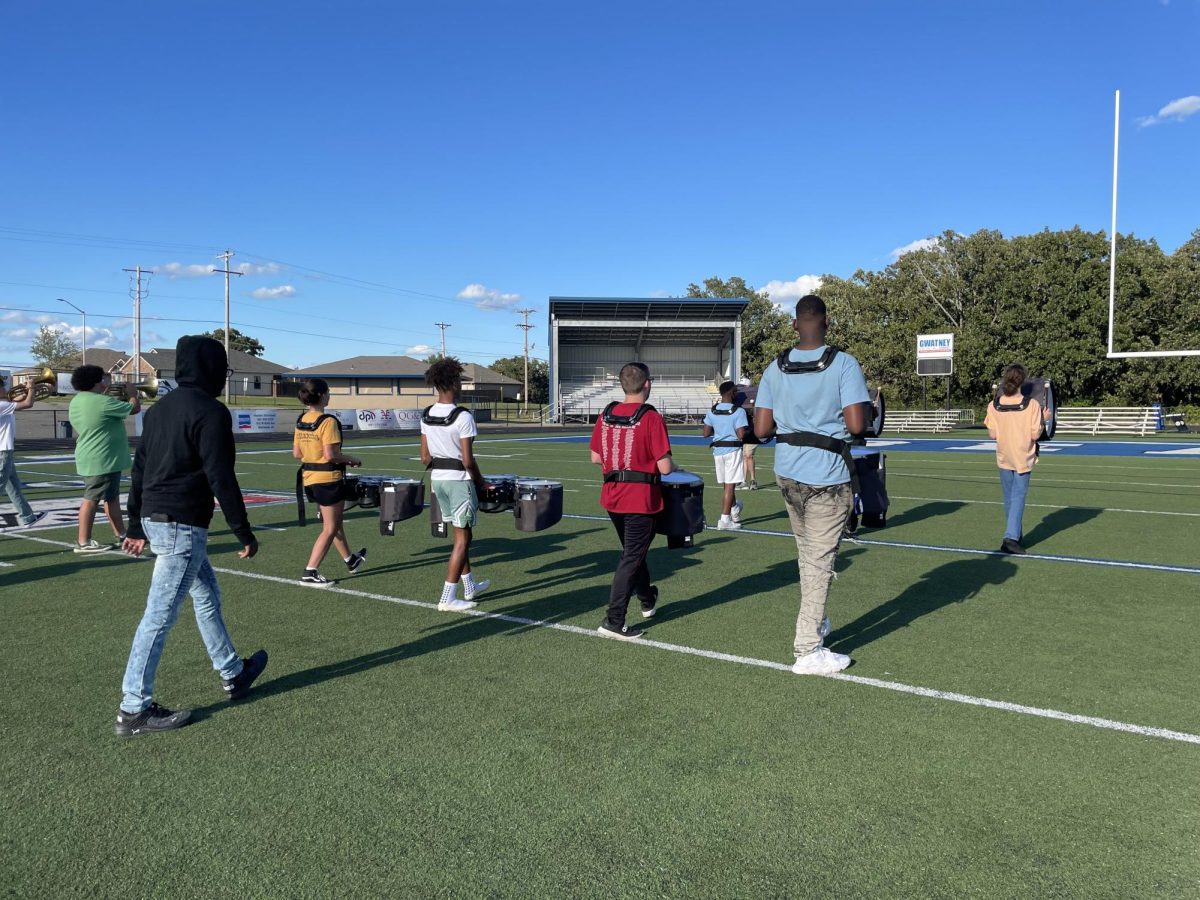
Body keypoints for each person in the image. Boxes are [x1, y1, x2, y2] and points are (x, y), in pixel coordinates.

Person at [115, 336, 267, 737]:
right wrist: (243, 531)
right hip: (182, 524)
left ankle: (233, 671)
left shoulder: (160, 409)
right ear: (211, 369)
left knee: (206, 596)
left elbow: (139, 470)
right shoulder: (212, 412)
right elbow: (221, 475)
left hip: (157, 517)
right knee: (159, 616)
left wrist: (134, 524)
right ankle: (134, 708)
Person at [754, 295, 869, 676]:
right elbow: (856, 425)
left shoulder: (775, 368)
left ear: (794, 325)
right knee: (820, 561)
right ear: (827, 322)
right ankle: (807, 649)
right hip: (828, 474)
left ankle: (815, 623)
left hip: (787, 471)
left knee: (807, 554)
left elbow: (761, 429)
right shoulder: (844, 364)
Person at [589, 362, 677, 640]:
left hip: (613, 496)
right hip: (641, 499)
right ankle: (614, 620)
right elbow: (665, 468)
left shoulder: (605, 414)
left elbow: (595, 457)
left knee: (633, 552)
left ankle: (647, 598)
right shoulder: (651, 417)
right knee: (631, 557)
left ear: (622, 384)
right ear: (647, 384)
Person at [419, 357, 490, 612]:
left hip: (437, 481)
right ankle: (447, 597)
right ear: (451, 382)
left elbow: (425, 457)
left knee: (462, 536)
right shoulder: (463, 416)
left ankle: (469, 586)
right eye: (459, 379)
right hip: (459, 482)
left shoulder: (427, 414)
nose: (461, 383)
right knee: (462, 539)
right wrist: (482, 483)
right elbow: (468, 460)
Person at [292, 378, 367, 586]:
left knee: (333, 523)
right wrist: (351, 459)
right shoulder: (328, 421)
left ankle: (351, 560)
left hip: (309, 479)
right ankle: (310, 571)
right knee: (331, 527)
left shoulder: (302, 420)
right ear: (323, 395)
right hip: (328, 479)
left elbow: (297, 453)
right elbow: (331, 454)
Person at [67, 365, 140, 553]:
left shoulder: (78, 400)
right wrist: (132, 394)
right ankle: (83, 542)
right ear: (96, 382)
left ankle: (122, 534)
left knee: (111, 498)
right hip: (102, 458)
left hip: (96, 456)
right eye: (103, 379)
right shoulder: (102, 402)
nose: (107, 382)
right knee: (91, 499)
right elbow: (134, 409)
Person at [983, 364, 1046, 555]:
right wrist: (1044, 418)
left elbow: (992, 434)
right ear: (1022, 381)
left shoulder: (994, 404)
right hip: (1022, 455)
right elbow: (1035, 433)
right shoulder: (1032, 405)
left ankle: (1015, 534)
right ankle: (1010, 537)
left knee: (1010, 498)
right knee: (1018, 496)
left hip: (1004, 455)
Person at [0, 372, 47, 529]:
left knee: (13, 486)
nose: (5, 388)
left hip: (5, 451)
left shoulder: (4, 404)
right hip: (2, 452)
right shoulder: (2, 405)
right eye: (2, 386)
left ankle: (28, 517)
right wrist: (31, 389)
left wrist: (31, 389)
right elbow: (27, 404)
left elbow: (17, 400)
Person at [702, 380, 748, 530]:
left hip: (718, 451)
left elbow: (706, 433)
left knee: (727, 484)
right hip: (733, 450)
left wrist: (721, 429)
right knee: (730, 485)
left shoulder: (712, 411)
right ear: (730, 393)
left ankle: (734, 508)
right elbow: (741, 434)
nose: (736, 394)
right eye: (735, 391)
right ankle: (724, 520)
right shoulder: (739, 411)